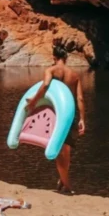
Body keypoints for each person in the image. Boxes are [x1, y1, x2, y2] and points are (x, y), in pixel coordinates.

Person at [25, 43, 85, 194]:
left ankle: (67, 186)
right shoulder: (75, 76)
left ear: (54, 57)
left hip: (56, 114)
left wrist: (33, 101)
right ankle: (63, 180)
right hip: (70, 114)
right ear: (65, 58)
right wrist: (82, 119)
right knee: (66, 150)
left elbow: (45, 86)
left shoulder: (51, 70)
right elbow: (80, 99)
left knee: (58, 151)